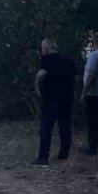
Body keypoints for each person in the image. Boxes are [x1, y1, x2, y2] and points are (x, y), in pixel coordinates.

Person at [32, 38, 75, 166]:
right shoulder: (68, 60)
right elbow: (75, 76)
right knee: (65, 127)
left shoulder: (45, 60)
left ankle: (43, 157)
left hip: (50, 98)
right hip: (66, 98)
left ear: (45, 49)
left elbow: (41, 74)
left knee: (46, 128)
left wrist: (37, 87)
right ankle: (64, 154)